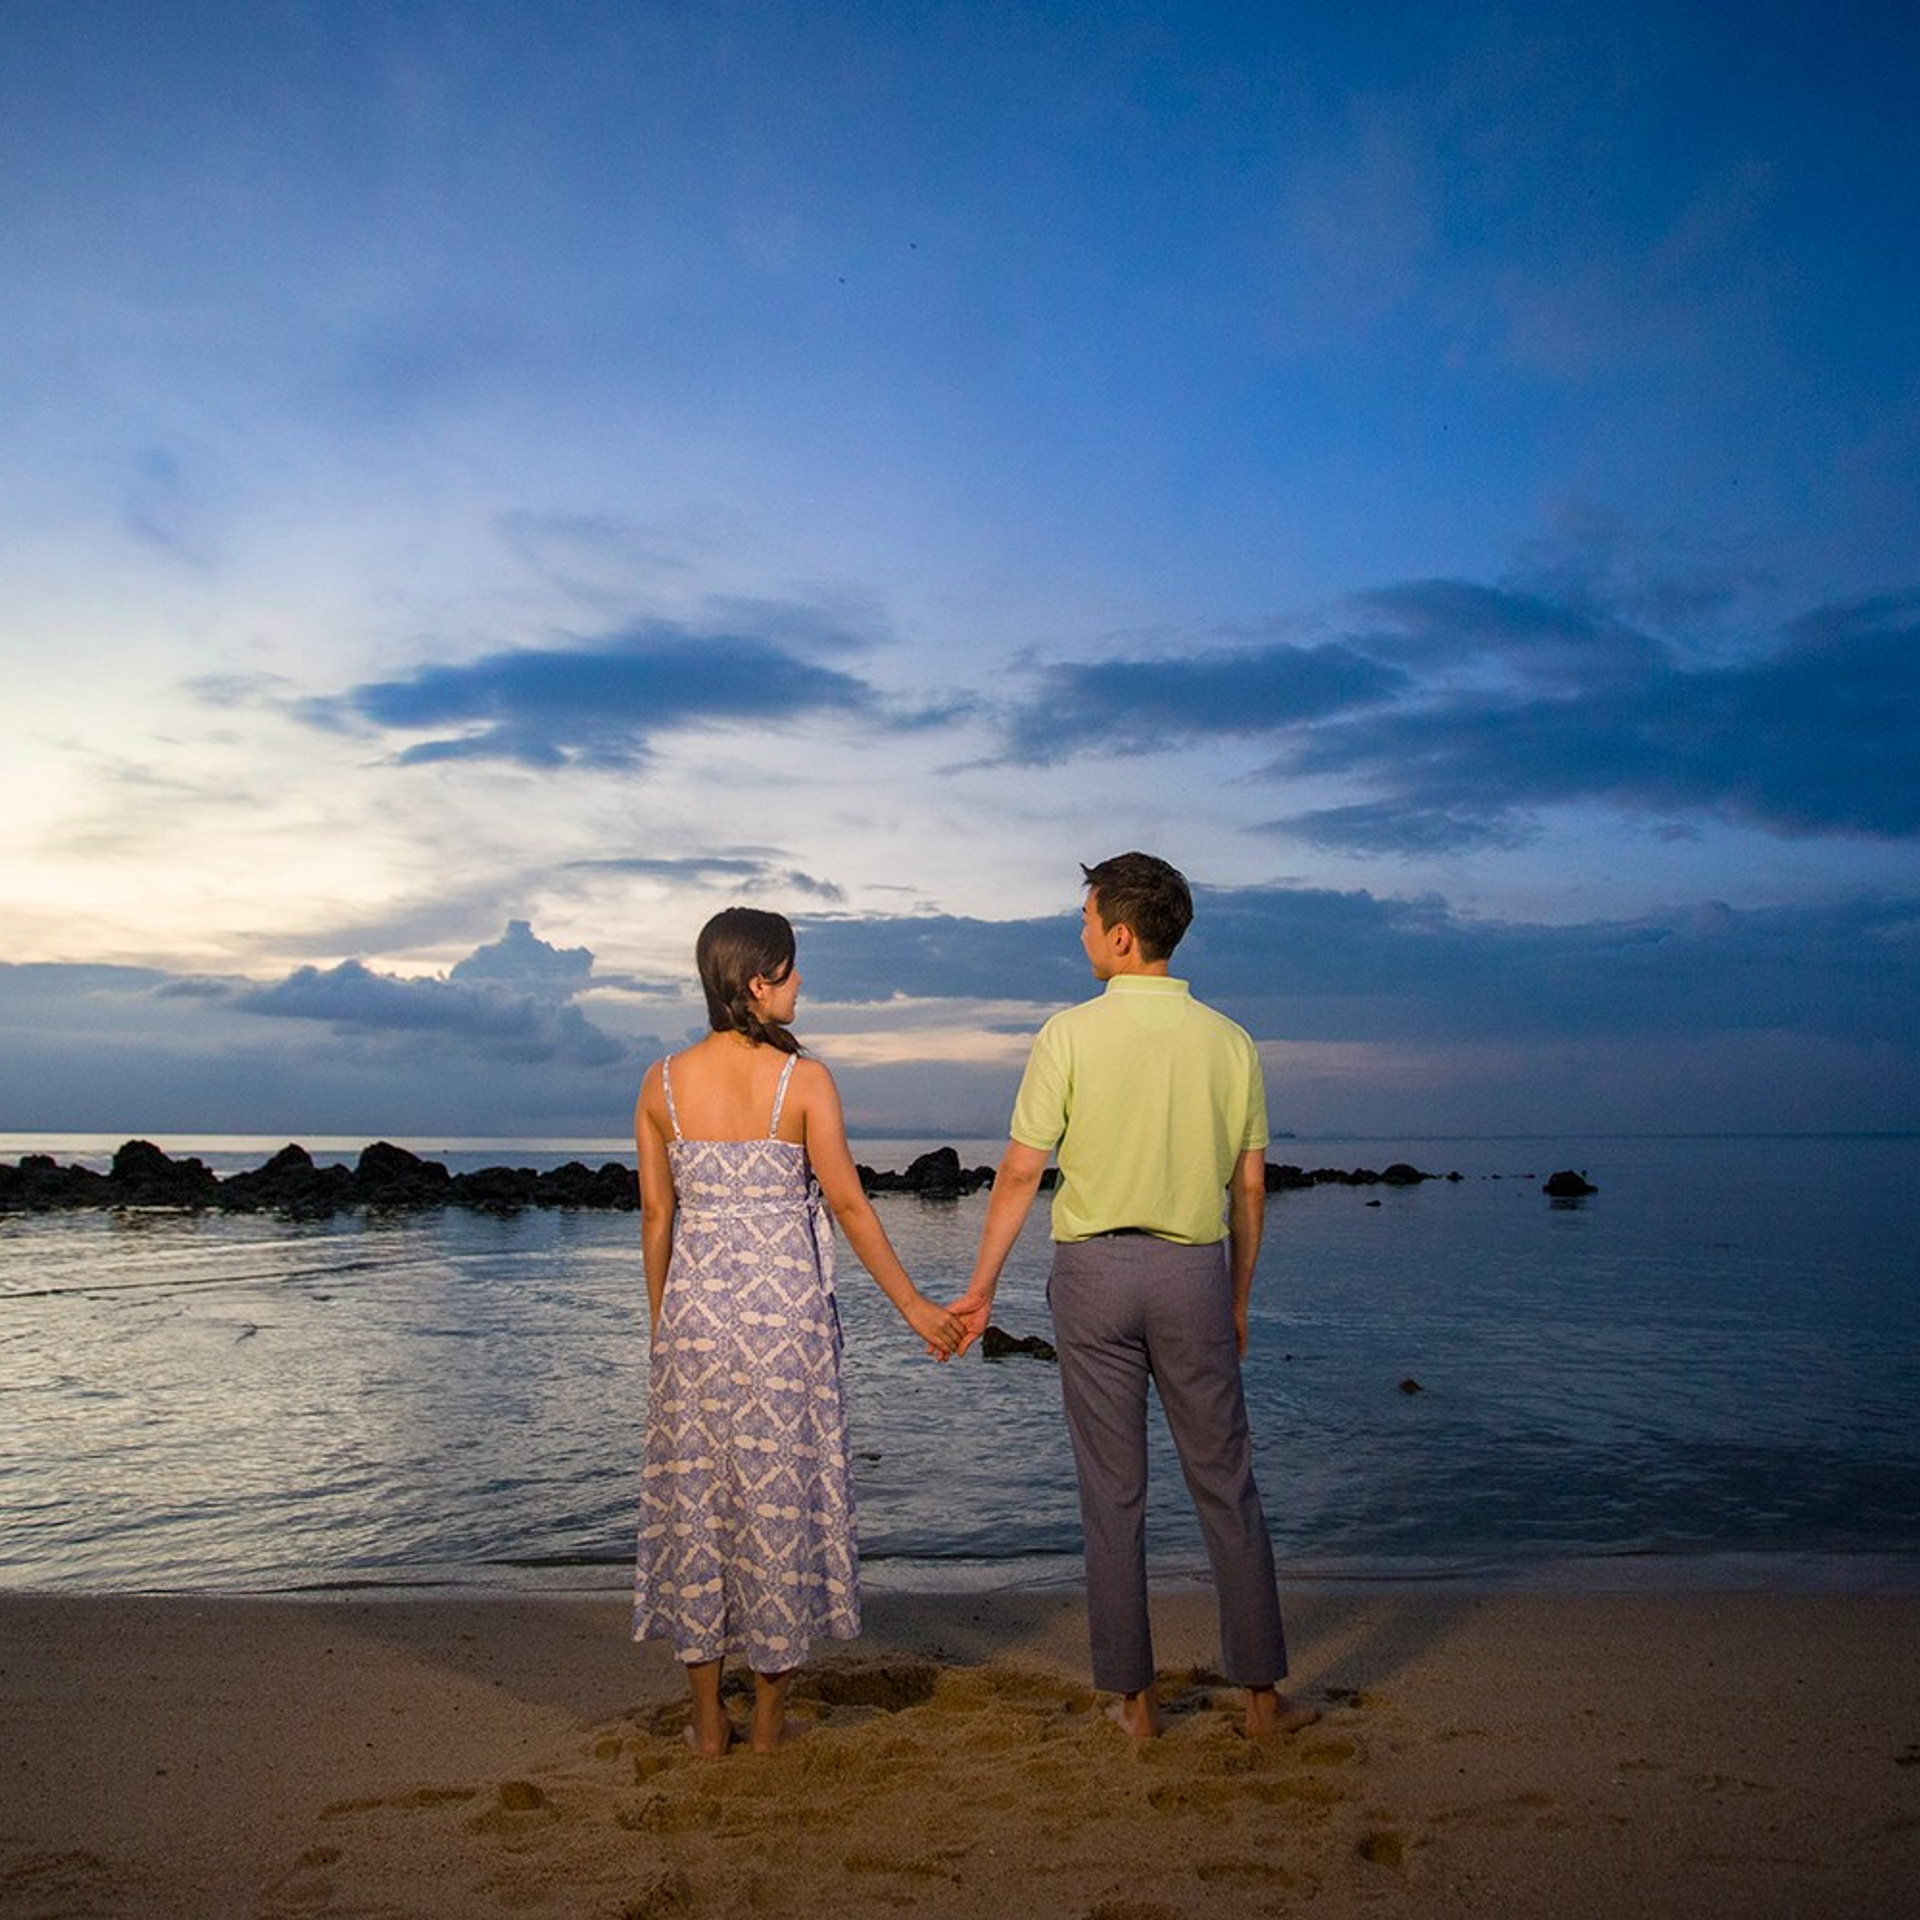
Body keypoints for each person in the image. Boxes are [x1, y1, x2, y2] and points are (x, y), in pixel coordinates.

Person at [948, 853, 1315, 1741]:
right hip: (1192, 1274)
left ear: (1120, 933)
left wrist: (979, 1288)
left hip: (1093, 1277)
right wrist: (1237, 1298)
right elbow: (1251, 1191)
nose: (1079, 934)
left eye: (1085, 921)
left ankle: (1135, 1703)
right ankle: (1262, 1696)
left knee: (1113, 1494)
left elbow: (1020, 1173)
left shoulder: (1067, 1034)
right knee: (1227, 1483)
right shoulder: (1231, 1042)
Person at [633, 906, 961, 1756]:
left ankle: (709, 1721)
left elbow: (657, 1220)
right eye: (790, 970)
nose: (801, 983)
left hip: (695, 1320)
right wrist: (917, 1308)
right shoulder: (804, 1081)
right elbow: (849, 1207)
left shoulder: (660, 1083)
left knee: (698, 1506)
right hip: (784, 1321)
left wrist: (663, 1330)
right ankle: (771, 1719)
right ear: (755, 983)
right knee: (779, 1505)